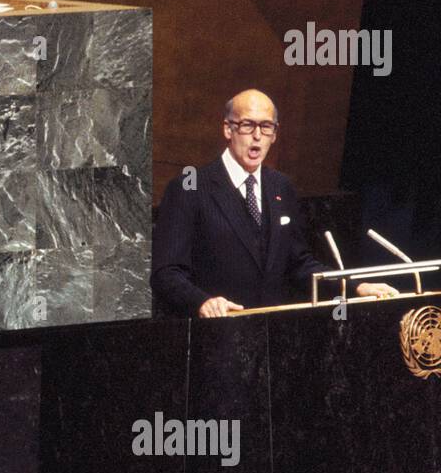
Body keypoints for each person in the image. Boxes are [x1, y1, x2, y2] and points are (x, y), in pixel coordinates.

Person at [152, 89, 398, 317]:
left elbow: (299, 263)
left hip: (272, 337)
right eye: (248, 125)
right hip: (215, 335)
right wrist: (202, 302)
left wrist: (355, 286)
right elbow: (166, 273)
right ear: (228, 129)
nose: (257, 136)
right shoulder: (191, 187)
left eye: (266, 127)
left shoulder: (282, 187)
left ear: (275, 134)